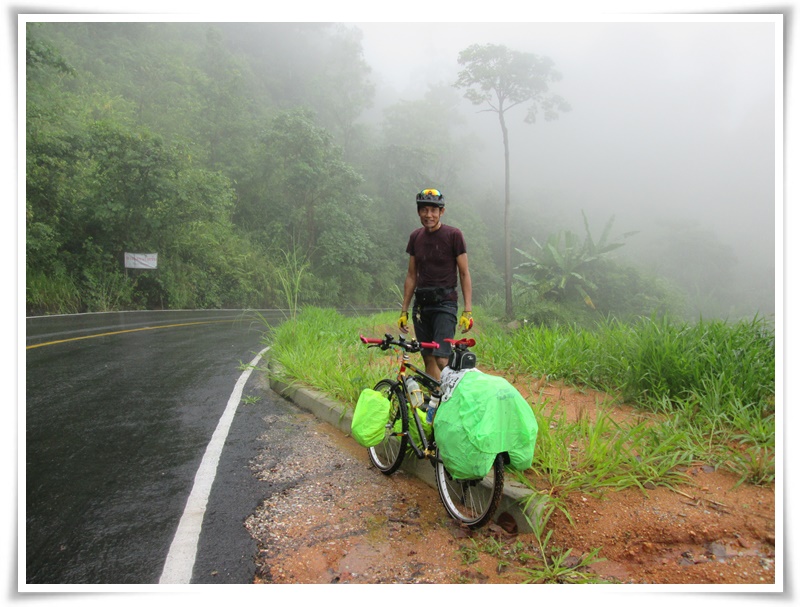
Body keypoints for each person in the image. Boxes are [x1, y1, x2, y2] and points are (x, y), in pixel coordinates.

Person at [398, 188, 473, 380]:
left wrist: (467, 310)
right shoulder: (416, 237)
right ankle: (436, 397)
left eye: (433, 210)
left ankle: (454, 393)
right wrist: (404, 310)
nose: (428, 215)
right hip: (422, 306)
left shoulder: (453, 235)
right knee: (429, 358)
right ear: (418, 212)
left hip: (445, 303)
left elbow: (464, 273)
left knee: (442, 358)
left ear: (442, 212)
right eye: (424, 210)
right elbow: (411, 275)